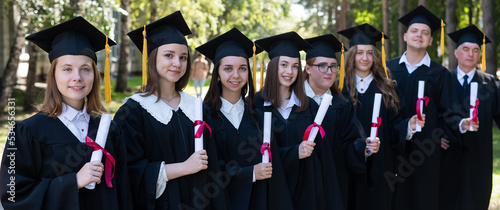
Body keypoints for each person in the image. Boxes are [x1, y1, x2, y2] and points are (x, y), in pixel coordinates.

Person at [0, 17, 132, 209]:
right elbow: (13, 196)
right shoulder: (27, 133)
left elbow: (124, 193)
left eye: (85, 69)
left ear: (95, 76)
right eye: (67, 69)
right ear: (53, 75)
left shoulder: (110, 130)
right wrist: (73, 183)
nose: (77, 77)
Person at [114, 11, 224, 209]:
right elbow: (130, 171)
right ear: (152, 58)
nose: (177, 63)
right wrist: (183, 168)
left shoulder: (197, 108)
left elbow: (213, 167)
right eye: (169, 55)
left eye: (183, 57)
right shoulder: (132, 112)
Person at [198, 27, 293, 210]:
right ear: (217, 74)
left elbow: (275, 167)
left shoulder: (258, 114)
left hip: (258, 201)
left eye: (242, 68)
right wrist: (251, 173)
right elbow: (209, 169)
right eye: (228, 69)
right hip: (219, 202)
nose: (236, 75)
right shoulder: (204, 117)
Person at [338, 24, 425, 210]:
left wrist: (408, 126)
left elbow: (395, 126)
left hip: (380, 166)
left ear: (376, 56)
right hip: (346, 168)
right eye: (359, 52)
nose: (364, 58)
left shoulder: (387, 88)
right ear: (351, 55)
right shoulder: (339, 89)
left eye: (370, 53)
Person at [254, 31, 333, 209]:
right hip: (270, 193)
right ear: (272, 66)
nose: (289, 72)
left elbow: (324, 159)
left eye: (295, 66)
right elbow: (253, 156)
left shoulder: (310, 107)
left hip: (306, 193)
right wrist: (294, 152)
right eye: (284, 65)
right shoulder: (255, 106)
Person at [386, 6, 451, 210]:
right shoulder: (388, 70)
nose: (419, 35)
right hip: (392, 145)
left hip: (427, 150)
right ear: (405, 36)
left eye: (425, 33)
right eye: (414, 31)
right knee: (395, 198)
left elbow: (447, 111)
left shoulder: (440, 73)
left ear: (431, 40)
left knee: (425, 198)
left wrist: (442, 135)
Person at [302, 34, 369, 209]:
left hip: (334, 185)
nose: (330, 71)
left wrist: (364, 147)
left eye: (333, 66)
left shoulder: (342, 105)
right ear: (308, 68)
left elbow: (350, 144)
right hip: (300, 184)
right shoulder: (293, 103)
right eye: (322, 66)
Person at [440, 25, 500, 210]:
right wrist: (436, 138)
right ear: (456, 52)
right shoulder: (443, 81)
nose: (471, 54)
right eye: (465, 49)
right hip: (448, 158)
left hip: (478, 159)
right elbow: (433, 116)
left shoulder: (490, 84)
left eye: (475, 50)